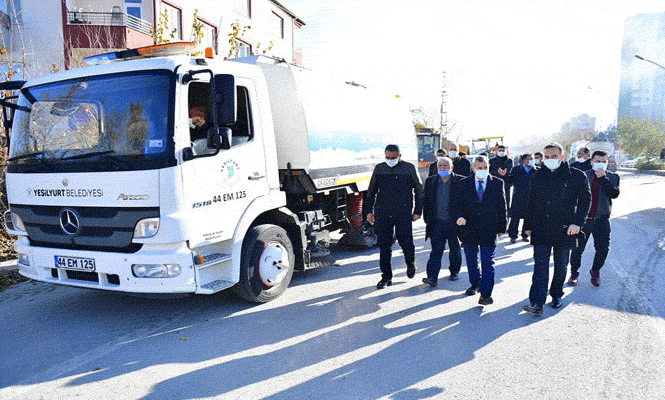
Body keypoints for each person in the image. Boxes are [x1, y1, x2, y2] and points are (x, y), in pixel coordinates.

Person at [523, 143, 591, 314]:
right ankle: (537, 302)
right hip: (541, 226)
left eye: (554, 156)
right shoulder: (538, 175)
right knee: (540, 265)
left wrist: (577, 223)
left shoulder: (576, 176)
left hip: (565, 228)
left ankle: (556, 294)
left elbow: (585, 200)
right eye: (547, 157)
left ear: (562, 157)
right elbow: (531, 202)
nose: (550, 160)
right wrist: (528, 225)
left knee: (561, 265)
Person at [365, 144, 424, 289]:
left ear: (400, 156)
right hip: (383, 212)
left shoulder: (409, 168)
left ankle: (410, 263)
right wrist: (368, 211)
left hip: (403, 212)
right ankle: (386, 277)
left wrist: (417, 211)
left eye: (393, 157)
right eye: (387, 157)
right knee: (384, 245)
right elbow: (371, 191)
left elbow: (419, 190)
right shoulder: (379, 168)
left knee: (406, 242)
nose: (390, 160)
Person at [453, 155, 507, 305]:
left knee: (488, 262)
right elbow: (457, 205)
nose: (482, 170)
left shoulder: (497, 183)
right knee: (471, 261)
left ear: (489, 167)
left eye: (485, 168)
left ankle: (485, 294)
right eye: (479, 167)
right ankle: (475, 283)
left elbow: (502, 207)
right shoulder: (463, 183)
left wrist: (503, 227)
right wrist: (459, 217)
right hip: (468, 228)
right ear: (473, 168)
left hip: (489, 229)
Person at [568, 150, 620, 287]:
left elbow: (614, 194)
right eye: (598, 161)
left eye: (604, 162)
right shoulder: (583, 176)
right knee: (577, 249)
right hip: (584, 220)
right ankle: (574, 273)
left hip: (602, 219)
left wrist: (603, 178)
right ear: (591, 162)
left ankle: (595, 271)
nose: (601, 164)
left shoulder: (613, 177)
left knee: (603, 249)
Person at [422, 157, 463, 286]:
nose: (443, 168)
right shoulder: (431, 181)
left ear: (452, 168)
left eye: (446, 166)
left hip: (454, 223)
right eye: (441, 166)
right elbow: (426, 201)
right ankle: (432, 277)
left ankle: (454, 271)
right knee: (436, 250)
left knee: (454, 249)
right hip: (436, 223)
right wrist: (426, 218)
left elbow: (466, 202)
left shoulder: (460, 181)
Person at [507, 153, 536, 243]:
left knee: (528, 217)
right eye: (529, 159)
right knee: (515, 218)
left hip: (531, 197)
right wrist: (504, 176)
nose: (531, 160)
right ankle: (513, 236)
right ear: (523, 160)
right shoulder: (516, 169)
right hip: (518, 196)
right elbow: (509, 181)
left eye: (532, 159)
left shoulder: (536, 170)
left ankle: (525, 235)